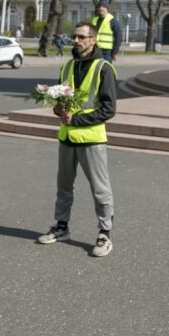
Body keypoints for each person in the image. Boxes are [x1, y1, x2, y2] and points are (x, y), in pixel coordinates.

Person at [36, 22, 118, 258]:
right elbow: (60, 99)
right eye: (75, 37)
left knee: (100, 190)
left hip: (91, 139)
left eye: (82, 37)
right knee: (63, 187)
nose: (77, 41)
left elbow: (109, 109)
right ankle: (62, 227)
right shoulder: (67, 66)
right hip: (66, 138)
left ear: (93, 40)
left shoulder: (104, 67)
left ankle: (105, 234)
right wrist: (58, 110)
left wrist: (77, 120)